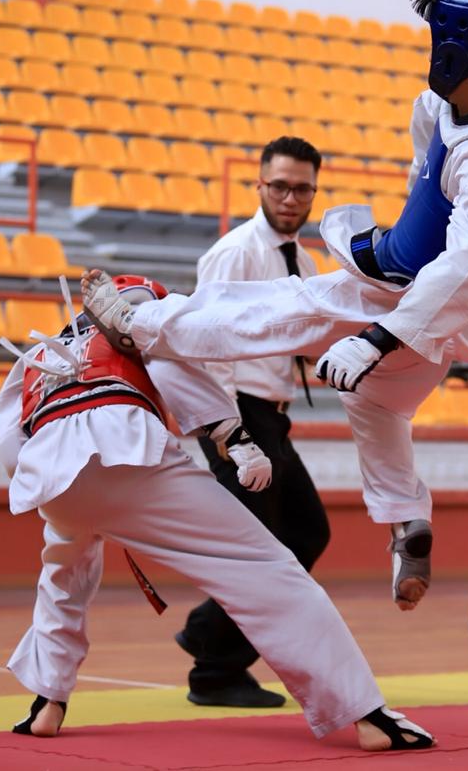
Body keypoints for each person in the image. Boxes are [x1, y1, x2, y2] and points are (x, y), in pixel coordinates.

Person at [82, 0, 468, 611]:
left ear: (460, 52)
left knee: (277, 308)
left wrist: (373, 340)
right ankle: (406, 519)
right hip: (446, 308)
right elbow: (435, 133)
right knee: (382, 408)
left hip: (403, 292)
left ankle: (138, 324)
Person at [0, 275, 433, 751]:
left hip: (49, 472)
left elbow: (9, 441)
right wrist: (235, 439)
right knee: (263, 567)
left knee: (64, 574)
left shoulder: (37, 356)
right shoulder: (146, 315)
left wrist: (69, 497)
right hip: (123, 448)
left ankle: (47, 699)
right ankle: (364, 712)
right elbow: (176, 367)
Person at [177, 136, 329, 709]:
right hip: (237, 415)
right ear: (260, 186)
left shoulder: (306, 261)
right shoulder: (233, 253)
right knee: (261, 551)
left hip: (275, 417)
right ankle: (214, 671)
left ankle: (206, 630)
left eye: (303, 188)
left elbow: (306, 340)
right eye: (280, 186)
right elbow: (203, 347)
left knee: (308, 533)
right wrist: (228, 435)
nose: (291, 198)